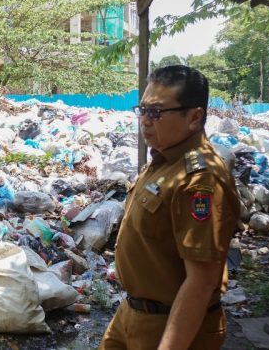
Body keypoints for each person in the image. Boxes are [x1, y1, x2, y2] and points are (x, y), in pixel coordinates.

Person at [100, 65, 240, 350]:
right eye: (143, 110)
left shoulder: (200, 180)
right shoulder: (164, 161)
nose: (145, 121)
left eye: (156, 112)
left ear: (194, 117)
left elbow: (201, 282)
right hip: (132, 313)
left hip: (168, 326)